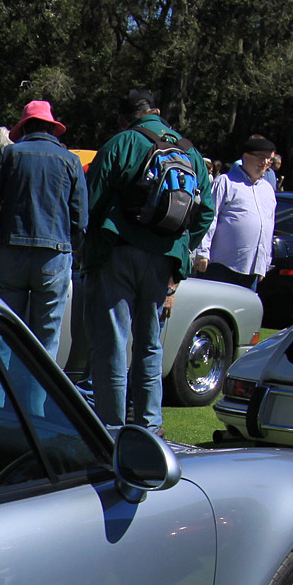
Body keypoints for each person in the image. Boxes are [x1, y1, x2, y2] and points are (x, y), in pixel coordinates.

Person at [82, 88, 213, 429]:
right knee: (149, 346)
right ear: (156, 110)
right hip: (163, 260)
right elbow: (206, 212)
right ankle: (149, 428)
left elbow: (90, 201)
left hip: (118, 254)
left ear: (125, 117)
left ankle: (110, 429)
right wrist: (180, 249)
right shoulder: (190, 152)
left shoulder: (122, 143)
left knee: (112, 343)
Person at [0, 99, 88, 361]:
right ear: (51, 128)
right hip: (54, 255)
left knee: (2, 338)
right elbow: (80, 219)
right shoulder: (71, 161)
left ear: (24, 128)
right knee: (45, 341)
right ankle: (34, 401)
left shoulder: (10, 155)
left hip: (11, 251)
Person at [192, 134, 278, 288]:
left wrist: (264, 263)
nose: (266, 163)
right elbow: (210, 217)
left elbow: (269, 225)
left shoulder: (268, 190)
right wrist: (202, 252)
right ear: (246, 156)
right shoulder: (225, 182)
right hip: (223, 265)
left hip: (252, 268)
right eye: (261, 157)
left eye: (269, 159)